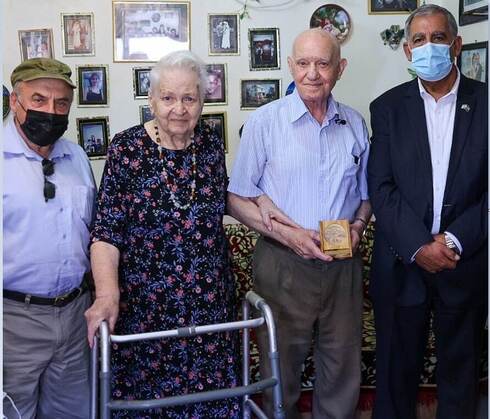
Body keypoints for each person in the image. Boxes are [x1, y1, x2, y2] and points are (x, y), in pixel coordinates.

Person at [84, 50, 241, 418]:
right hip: (148, 316)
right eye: (168, 98)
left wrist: (272, 217)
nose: (179, 109)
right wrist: (107, 294)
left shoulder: (210, 146)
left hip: (210, 310)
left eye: (189, 98)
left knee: (210, 405)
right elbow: (106, 231)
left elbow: (225, 201)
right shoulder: (126, 149)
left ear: (203, 100)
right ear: (152, 100)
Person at [228, 28, 371, 419]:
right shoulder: (264, 122)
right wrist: (287, 236)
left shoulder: (356, 125)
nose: (312, 73)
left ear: (339, 69)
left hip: (342, 264)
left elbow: (366, 194)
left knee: (342, 365)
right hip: (282, 264)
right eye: (303, 63)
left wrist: (358, 226)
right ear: (290, 66)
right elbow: (235, 197)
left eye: (323, 63)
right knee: (281, 365)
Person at [368, 4, 487, 419]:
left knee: (460, 375)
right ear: (406, 51)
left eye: (438, 38)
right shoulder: (386, 108)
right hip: (402, 263)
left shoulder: (486, 103)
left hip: (465, 260)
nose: (428, 47)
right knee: (395, 376)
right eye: (418, 40)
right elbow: (381, 189)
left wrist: (452, 240)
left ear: (457, 44)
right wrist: (419, 245)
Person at [3, 57, 96, 419]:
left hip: (75, 316)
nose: (51, 112)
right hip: (12, 320)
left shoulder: (76, 157)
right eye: (39, 100)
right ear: (15, 101)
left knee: (74, 413)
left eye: (61, 104)